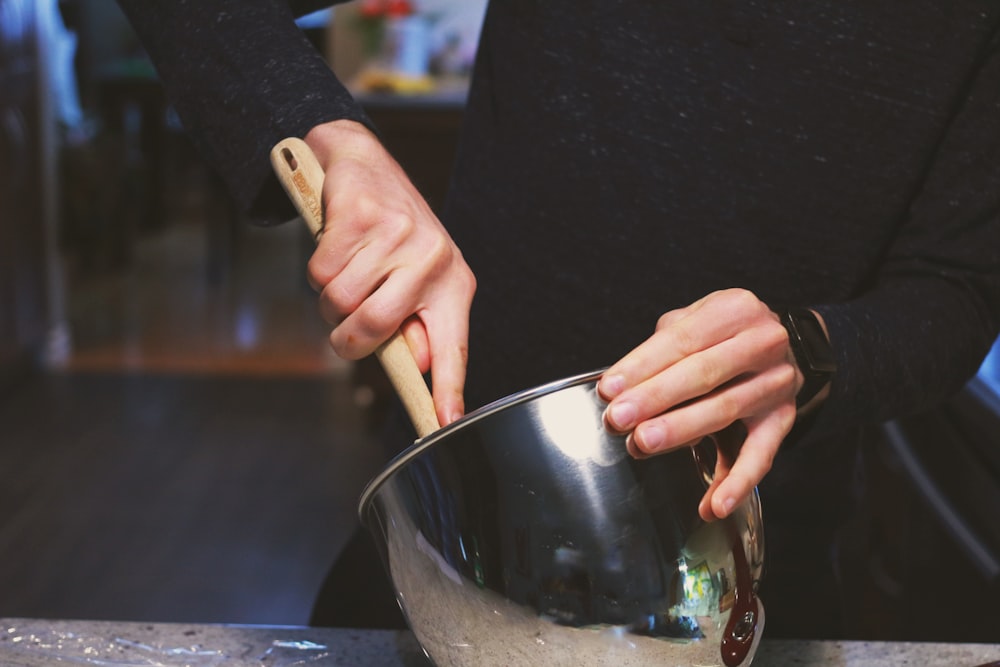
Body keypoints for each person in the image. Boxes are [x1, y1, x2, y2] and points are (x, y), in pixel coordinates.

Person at [114, 0, 1000, 638]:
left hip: (746, 593)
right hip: (450, 567)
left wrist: (813, 350)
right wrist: (329, 133)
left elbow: (958, 287)